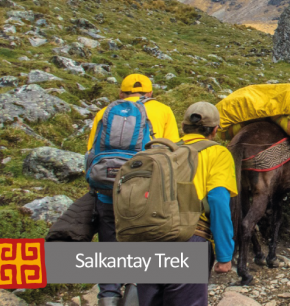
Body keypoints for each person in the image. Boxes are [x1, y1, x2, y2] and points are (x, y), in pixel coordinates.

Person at [85, 74, 180, 306]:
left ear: (121, 93)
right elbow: (174, 155)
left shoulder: (105, 112)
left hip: (108, 193)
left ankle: (108, 295)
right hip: (145, 197)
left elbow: (90, 154)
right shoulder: (163, 110)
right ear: (150, 92)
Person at [137, 102, 236, 306]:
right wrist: (224, 254)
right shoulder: (218, 154)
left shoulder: (164, 152)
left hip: (149, 239)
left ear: (183, 127)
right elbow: (218, 200)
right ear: (215, 130)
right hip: (188, 239)